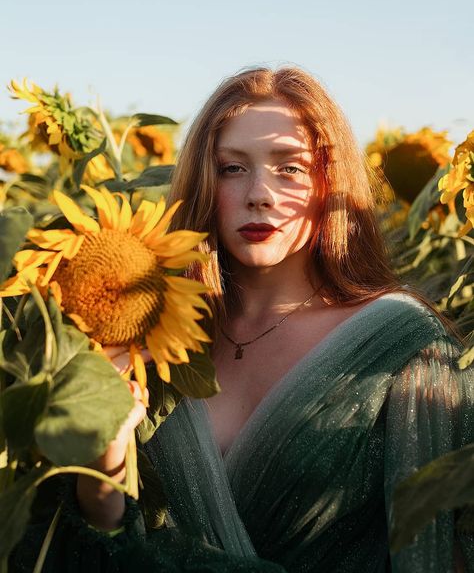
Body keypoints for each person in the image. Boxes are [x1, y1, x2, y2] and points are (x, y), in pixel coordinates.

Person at [12, 67, 474, 572]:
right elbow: (96, 540)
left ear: (330, 185)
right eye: (233, 168)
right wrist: (104, 464)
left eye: (291, 168)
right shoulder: (151, 330)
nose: (260, 194)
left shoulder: (404, 345)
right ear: (204, 183)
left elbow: (432, 553)